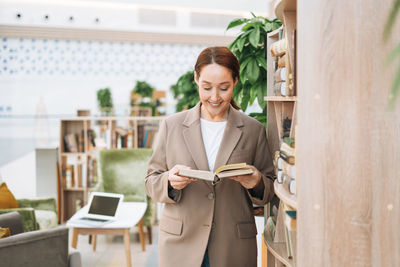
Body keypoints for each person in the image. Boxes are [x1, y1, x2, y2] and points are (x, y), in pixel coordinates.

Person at [145, 46, 274, 267]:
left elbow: (269, 189)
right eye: (207, 87)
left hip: (232, 244)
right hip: (181, 243)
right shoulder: (172, 126)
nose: (214, 97)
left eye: (223, 88)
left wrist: (256, 181)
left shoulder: (253, 130)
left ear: (235, 81)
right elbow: (151, 181)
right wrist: (170, 181)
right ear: (196, 79)